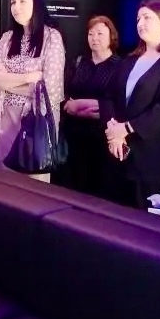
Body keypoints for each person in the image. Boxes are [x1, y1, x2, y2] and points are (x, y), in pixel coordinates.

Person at [101, 0, 160, 209]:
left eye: (147, 18)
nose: (140, 23)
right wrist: (113, 131)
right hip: (120, 155)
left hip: (154, 161)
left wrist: (126, 128)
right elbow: (108, 97)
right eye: (138, 19)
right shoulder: (129, 61)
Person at [0, 0, 65, 182]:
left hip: (35, 122)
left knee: (32, 186)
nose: (16, 7)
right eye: (13, 2)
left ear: (36, 4)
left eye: (22, 1)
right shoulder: (7, 38)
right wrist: (28, 78)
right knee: (3, 184)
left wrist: (8, 82)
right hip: (5, 119)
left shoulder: (51, 37)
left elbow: (50, 89)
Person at [61, 16, 121, 199]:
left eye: (100, 33)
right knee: (74, 187)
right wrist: (69, 104)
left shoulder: (120, 67)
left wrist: (91, 108)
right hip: (74, 136)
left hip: (101, 139)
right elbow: (64, 92)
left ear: (111, 36)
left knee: (99, 189)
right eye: (91, 34)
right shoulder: (79, 62)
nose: (94, 38)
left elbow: (118, 103)